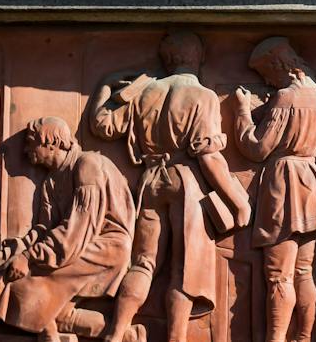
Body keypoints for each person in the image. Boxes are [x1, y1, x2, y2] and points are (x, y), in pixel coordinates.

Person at [89, 30, 252, 342]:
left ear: (168, 59)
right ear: (197, 57)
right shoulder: (202, 95)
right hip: (185, 183)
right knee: (184, 269)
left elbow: (102, 126)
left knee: (143, 264)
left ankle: (116, 333)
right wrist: (238, 201)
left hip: (150, 181)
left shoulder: (145, 91)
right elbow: (208, 155)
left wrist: (105, 87)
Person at [0, 116, 133, 341]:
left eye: (30, 143)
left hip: (104, 247)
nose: (25, 151)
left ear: (51, 143)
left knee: (24, 288)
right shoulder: (51, 181)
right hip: (72, 244)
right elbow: (44, 228)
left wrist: (28, 257)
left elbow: (78, 229)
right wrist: (13, 251)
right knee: (52, 312)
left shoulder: (87, 165)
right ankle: (129, 336)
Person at [232, 38, 316, 342]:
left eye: (266, 73)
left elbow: (257, 148)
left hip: (284, 184)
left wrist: (242, 112)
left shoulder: (285, 97)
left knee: (278, 274)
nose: (267, 81)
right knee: (304, 270)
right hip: (311, 180)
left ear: (279, 65)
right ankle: (303, 337)